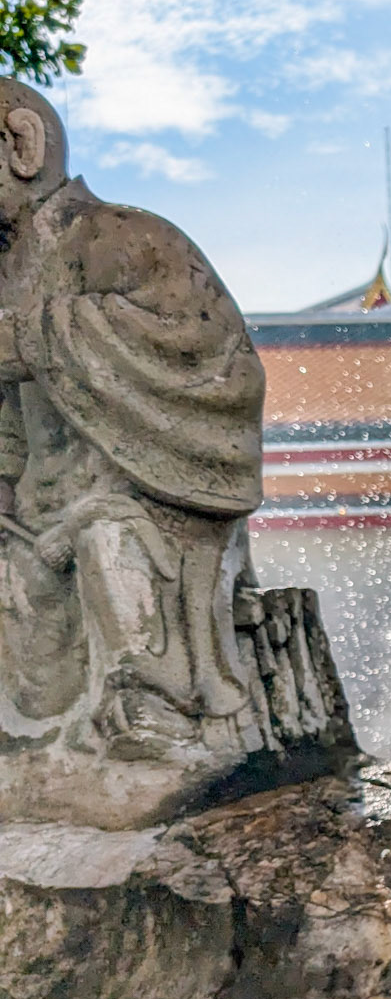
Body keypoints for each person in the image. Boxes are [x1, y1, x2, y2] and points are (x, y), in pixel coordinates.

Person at [0, 79, 263, 758]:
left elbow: (217, 364)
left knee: (107, 537)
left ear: (21, 146)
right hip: (41, 519)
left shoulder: (126, 238)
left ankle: (157, 706)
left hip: (146, 517)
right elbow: (8, 431)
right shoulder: (12, 273)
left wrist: (41, 338)